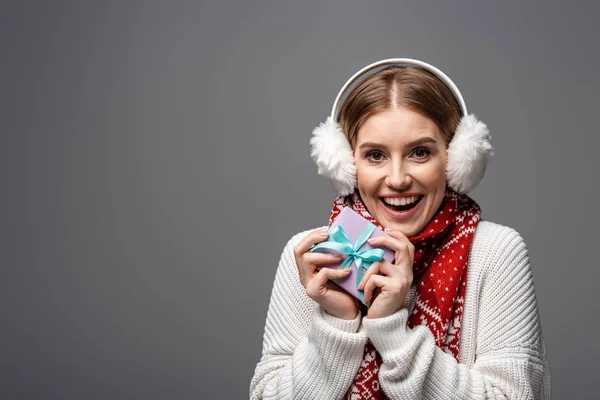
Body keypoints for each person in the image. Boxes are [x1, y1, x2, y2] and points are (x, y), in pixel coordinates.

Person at [249, 58, 551, 399]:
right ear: (346, 165)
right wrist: (337, 322)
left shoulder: (496, 252)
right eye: (375, 155)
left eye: (420, 152)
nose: (397, 179)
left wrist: (392, 330)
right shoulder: (314, 259)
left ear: (457, 159)